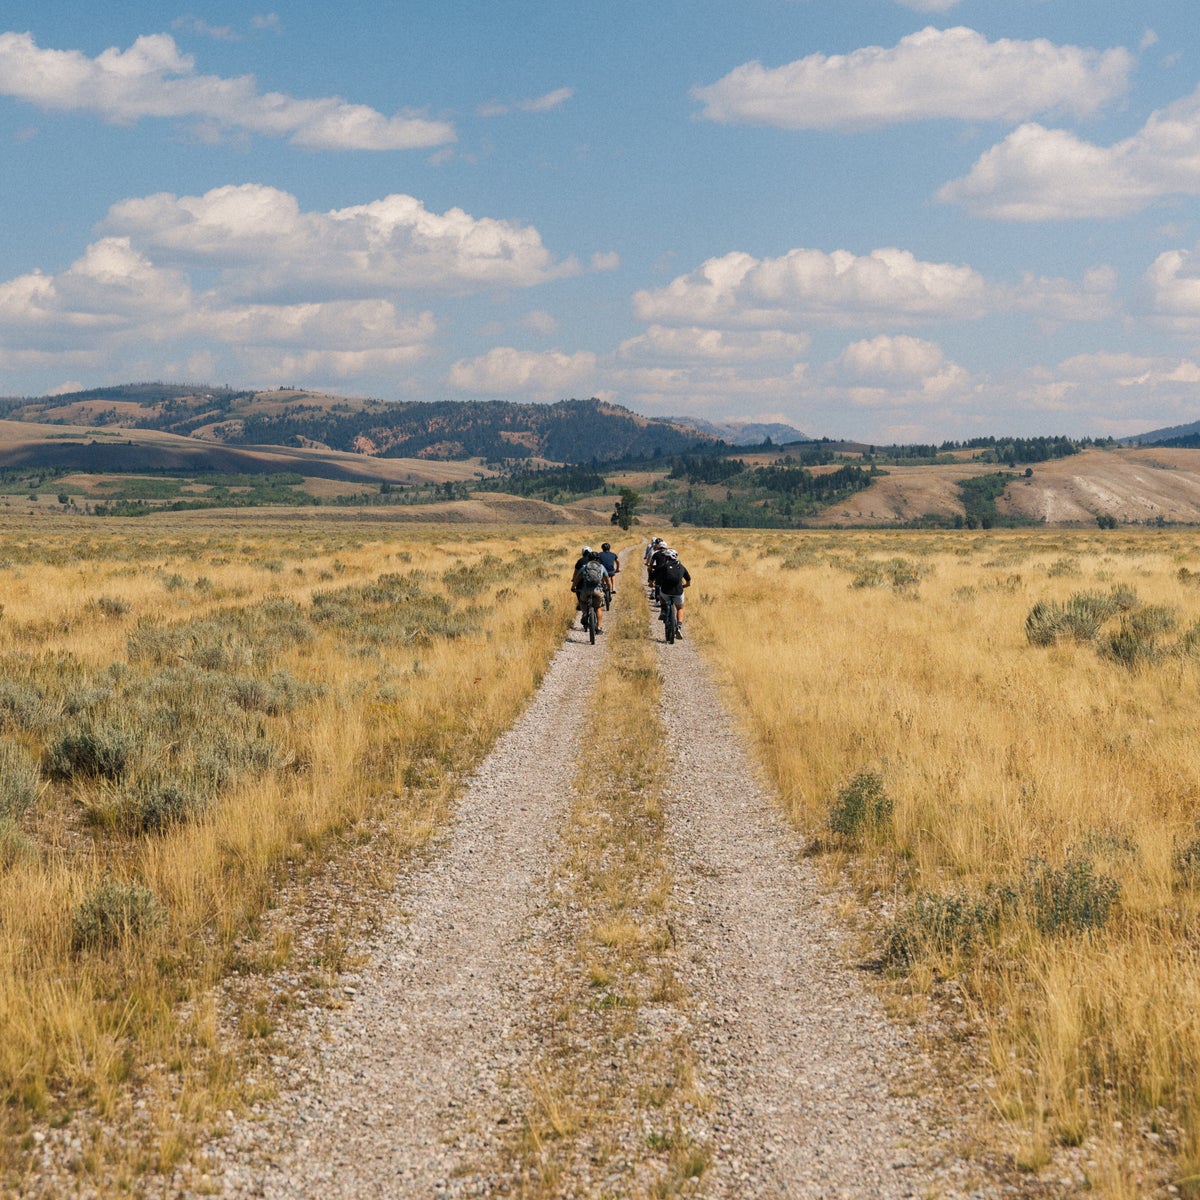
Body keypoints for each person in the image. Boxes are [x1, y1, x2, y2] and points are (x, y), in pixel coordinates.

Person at [656, 547, 691, 637]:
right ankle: (678, 626)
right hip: (678, 592)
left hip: (665, 591)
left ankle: (663, 610)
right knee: (680, 608)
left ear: (667, 558)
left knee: (661, 595)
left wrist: (653, 583)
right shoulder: (681, 567)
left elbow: (656, 576)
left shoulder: (663, 566)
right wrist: (684, 586)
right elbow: (688, 581)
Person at [572, 549, 607, 634]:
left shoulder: (585, 567)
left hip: (585, 591)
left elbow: (577, 578)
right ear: (598, 559)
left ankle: (585, 614)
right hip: (597, 591)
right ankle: (599, 628)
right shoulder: (601, 567)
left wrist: (573, 587)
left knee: (583, 602)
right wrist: (609, 587)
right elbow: (607, 579)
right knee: (598, 608)